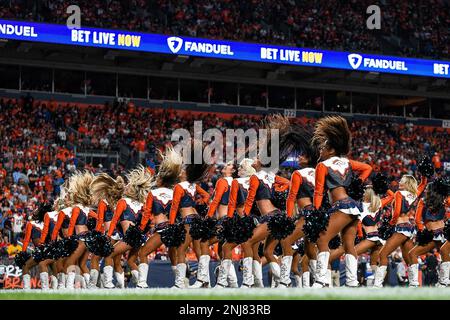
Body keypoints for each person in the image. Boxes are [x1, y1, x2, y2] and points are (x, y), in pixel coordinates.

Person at [311, 116, 373, 288]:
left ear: (331, 150)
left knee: (321, 238)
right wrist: (357, 183)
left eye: (323, 147)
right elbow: (368, 168)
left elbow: (318, 192)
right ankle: (352, 283)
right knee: (348, 244)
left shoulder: (322, 166)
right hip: (353, 205)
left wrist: (315, 213)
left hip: (341, 206)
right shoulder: (347, 162)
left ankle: (321, 280)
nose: (320, 150)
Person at [136, 147, 183, 288]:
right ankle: (180, 283)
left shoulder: (153, 193)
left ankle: (142, 283)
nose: (155, 179)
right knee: (174, 255)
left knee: (143, 253)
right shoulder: (175, 192)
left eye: (157, 177)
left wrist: (140, 229)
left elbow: (146, 215)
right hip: (174, 228)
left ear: (161, 180)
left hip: (162, 229)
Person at [373, 173, 427, 287]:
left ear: (407, 183)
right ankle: (414, 284)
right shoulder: (413, 194)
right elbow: (423, 185)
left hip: (400, 227)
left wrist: (390, 224)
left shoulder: (399, 193)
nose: (399, 182)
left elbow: (396, 212)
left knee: (382, 254)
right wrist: (424, 176)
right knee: (408, 258)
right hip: (409, 228)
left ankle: (377, 285)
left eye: (402, 180)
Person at [103, 166, 153, 289]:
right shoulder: (141, 204)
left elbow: (114, 220)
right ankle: (142, 283)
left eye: (129, 185)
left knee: (109, 254)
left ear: (132, 189)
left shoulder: (123, 201)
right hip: (140, 238)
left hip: (129, 237)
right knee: (131, 261)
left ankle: (108, 284)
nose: (126, 186)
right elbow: (147, 222)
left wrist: (108, 235)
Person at [169, 157, 211, 289]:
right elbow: (207, 196)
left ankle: (179, 283)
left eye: (182, 171)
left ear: (185, 174)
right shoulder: (194, 186)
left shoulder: (179, 186)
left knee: (181, 249)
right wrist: (199, 203)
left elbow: (174, 207)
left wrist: (171, 224)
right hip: (197, 218)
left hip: (188, 220)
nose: (180, 172)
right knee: (198, 250)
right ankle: (205, 281)